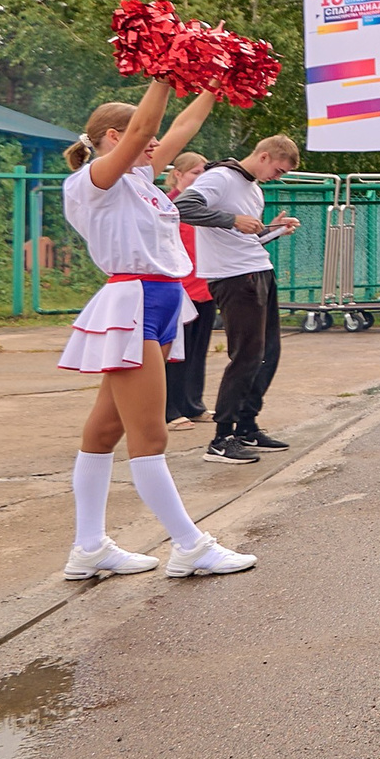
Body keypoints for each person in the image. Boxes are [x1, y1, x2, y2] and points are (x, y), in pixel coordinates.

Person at [53, 80, 256, 580]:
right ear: (114, 136)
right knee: (151, 435)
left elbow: (182, 125)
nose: (156, 143)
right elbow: (147, 125)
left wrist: (216, 77)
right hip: (133, 301)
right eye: (144, 138)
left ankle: (89, 547)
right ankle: (190, 545)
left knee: (104, 431)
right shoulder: (94, 181)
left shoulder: (141, 179)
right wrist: (164, 72)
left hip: (162, 299)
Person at [180, 135, 303, 466]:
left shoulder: (253, 188)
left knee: (267, 354)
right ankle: (222, 437)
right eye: (277, 170)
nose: (276, 177)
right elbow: (182, 207)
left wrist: (273, 229)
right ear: (264, 156)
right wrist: (232, 219)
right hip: (234, 277)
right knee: (247, 355)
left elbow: (246, 236)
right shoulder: (221, 177)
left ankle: (246, 426)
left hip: (257, 269)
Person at [161, 152, 219, 427]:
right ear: (179, 175)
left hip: (205, 287)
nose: (200, 178)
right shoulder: (168, 205)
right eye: (195, 172)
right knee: (176, 353)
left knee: (198, 352)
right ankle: (169, 409)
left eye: (204, 173)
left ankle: (193, 404)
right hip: (180, 289)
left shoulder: (205, 206)